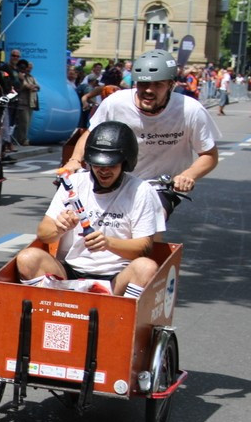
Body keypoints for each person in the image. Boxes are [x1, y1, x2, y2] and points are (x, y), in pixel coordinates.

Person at [65, 49, 221, 218]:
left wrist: (187, 175)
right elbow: (90, 134)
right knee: (80, 220)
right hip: (113, 178)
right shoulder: (116, 103)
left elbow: (209, 155)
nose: (148, 90)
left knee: (152, 218)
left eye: (157, 84)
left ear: (171, 85)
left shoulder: (190, 110)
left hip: (159, 185)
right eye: (143, 84)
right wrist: (74, 161)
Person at [16, 122, 165, 299]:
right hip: (70, 272)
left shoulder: (141, 191)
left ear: (125, 163)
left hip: (117, 278)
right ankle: (45, 310)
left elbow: (144, 248)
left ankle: (122, 315)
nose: (104, 171)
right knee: (28, 258)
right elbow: (44, 234)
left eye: (111, 165)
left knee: (146, 267)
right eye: (98, 165)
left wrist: (108, 243)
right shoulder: (73, 183)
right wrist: (60, 227)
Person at [13, 58, 40, 146]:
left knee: (27, 123)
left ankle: (24, 138)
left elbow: (37, 86)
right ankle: (22, 140)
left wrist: (33, 86)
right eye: (28, 67)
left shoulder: (31, 77)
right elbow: (24, 85)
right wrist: (30, 86)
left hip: (30, 103)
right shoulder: (20, 76)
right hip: (22, 103)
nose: (29, 69)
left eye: (30, 68)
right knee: (23, 122)